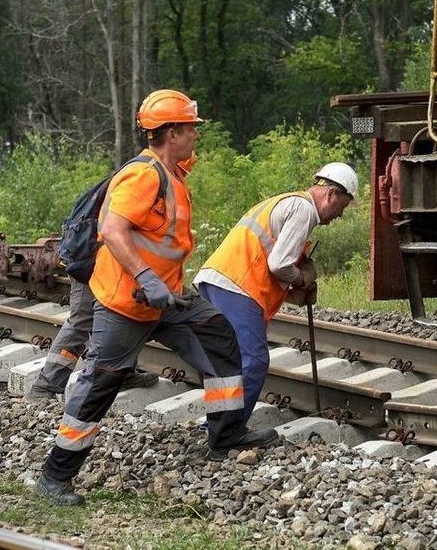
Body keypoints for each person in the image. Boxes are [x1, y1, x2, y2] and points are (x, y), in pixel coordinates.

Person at [35, 90, 277, 505]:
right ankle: (55, 475)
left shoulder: (172, 172)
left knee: (219, 336)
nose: (196, 136)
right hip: (127, 303)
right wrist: (147, 278)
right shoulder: (143, 175)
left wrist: (163, 285)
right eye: (190, 130)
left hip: (168, 299)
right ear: (170, 133)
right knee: (100, 385)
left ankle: (226, 433)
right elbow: (112, 230)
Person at [194, 162, 358, 424]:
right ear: (332, 195)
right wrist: (301, 278)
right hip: (236, 286)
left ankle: (215, 424)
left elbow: (268, 267)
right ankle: (229, 431)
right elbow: (279, 264)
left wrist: (295, 294)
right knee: (254, 361)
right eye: (343, 206)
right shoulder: (303, 209)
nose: (340, 215)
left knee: (229, 364)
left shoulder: (285, 202)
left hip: (215, 281)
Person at [27, 154, 198, 400]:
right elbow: (115, 230)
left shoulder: (160, 177)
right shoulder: (146, 177)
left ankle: (124, 373)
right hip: (95, 261)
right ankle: (45, 387)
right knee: (82, 321)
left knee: (127, 314)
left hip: (110, 262)